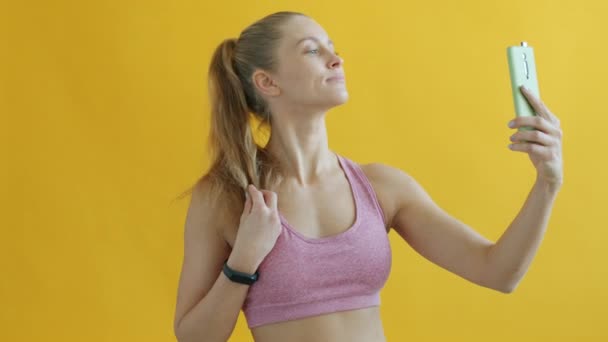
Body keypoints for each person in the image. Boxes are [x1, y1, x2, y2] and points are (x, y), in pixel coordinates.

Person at [172, 11, 563, 342]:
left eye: (332, 47)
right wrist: (243, 260)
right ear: (267, 82)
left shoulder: (382, 187)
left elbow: (497, 271)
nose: (336, 58)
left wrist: (547, 184)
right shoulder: (228, 196)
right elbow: (193, 335)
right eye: (312, 50)